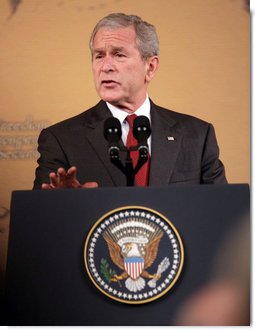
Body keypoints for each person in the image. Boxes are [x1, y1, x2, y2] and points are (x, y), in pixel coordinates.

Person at [33, 13, 227, 190]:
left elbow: (222, 214)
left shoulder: (197, 136)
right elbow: (37, 219)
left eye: (119, 55)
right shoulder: (60, 139)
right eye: (99, 56)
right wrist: (65, 204)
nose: (106, 66)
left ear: (150, 67)